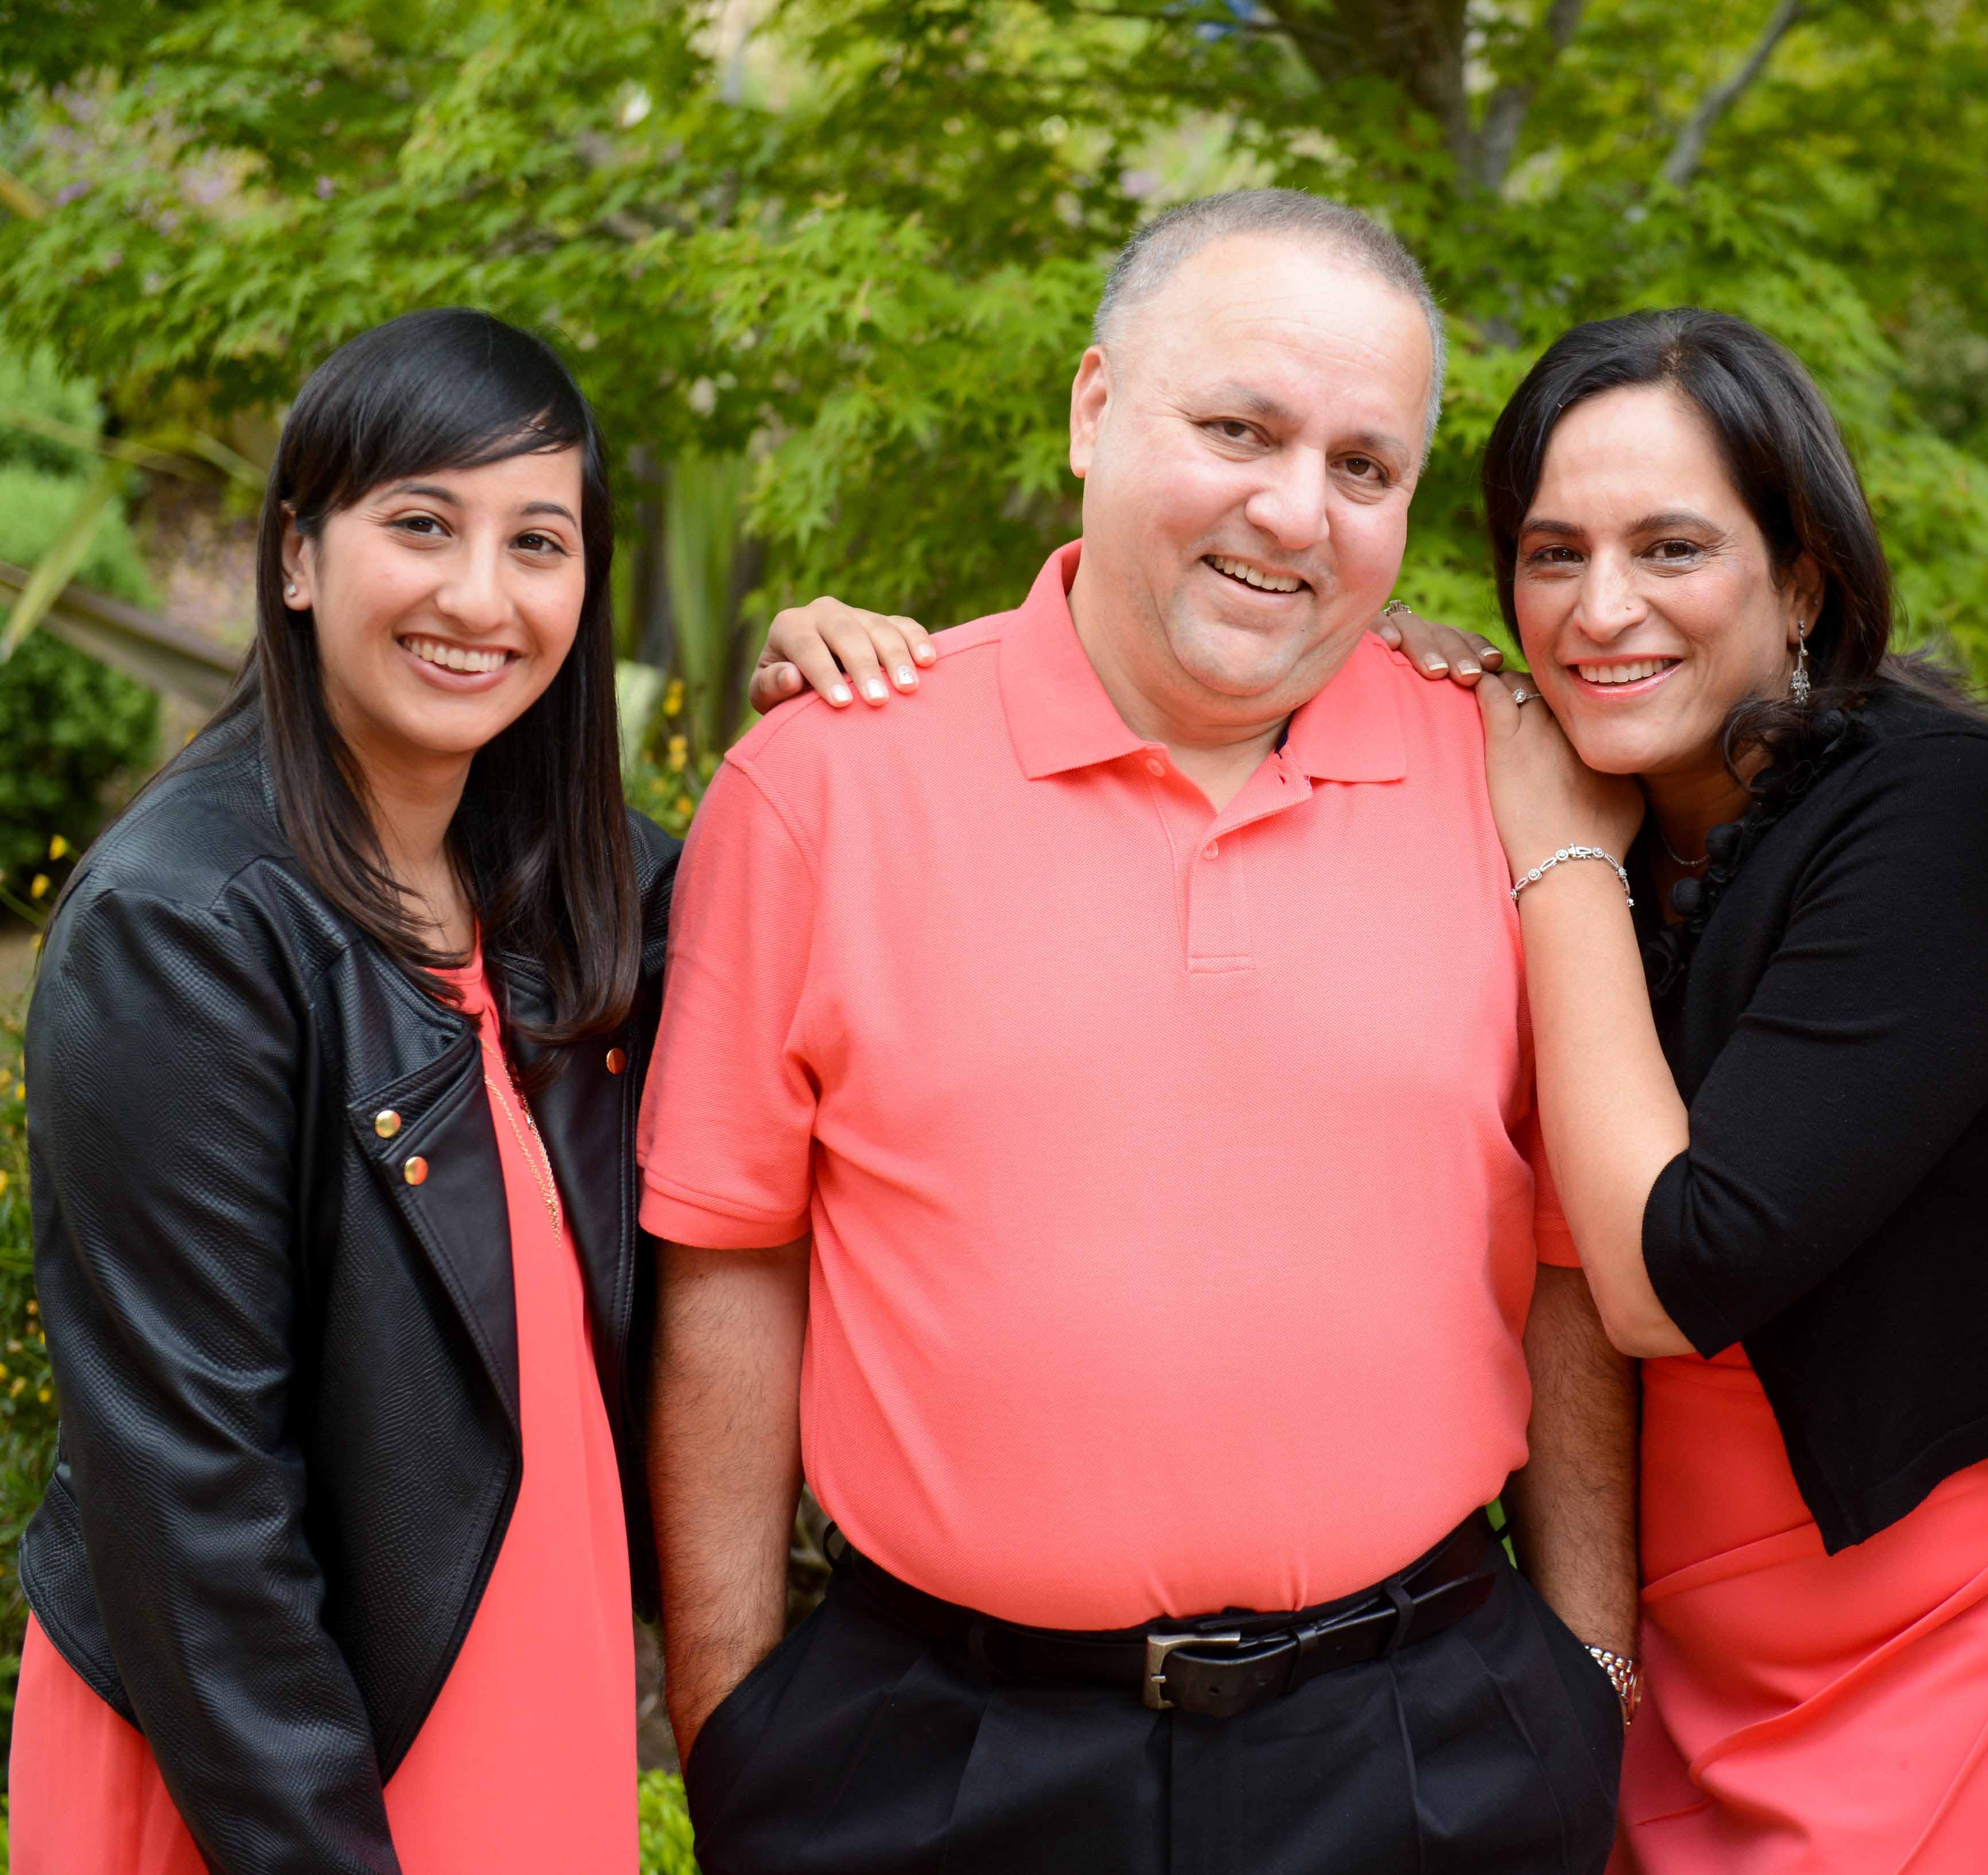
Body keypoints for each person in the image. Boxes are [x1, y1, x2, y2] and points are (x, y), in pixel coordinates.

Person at [640, 188, 1633, 1875]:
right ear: (1096, 406)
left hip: (1423, 1744)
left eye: (1363, 467)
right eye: (1238, 427)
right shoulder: (825, 781)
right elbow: (732, 1260)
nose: (1294, 510)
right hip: (937, 1759)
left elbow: (1567, 1254)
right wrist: (732, 1716)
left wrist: (1593, 1676)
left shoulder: (1510, 774)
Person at [1358, 308, 1988, 1872]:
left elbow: (1682, 1265)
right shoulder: (1588, 800)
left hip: (1967, 1599)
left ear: (1802, 578)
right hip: (1676, 1607)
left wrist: (1561, 850)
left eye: (1673, 548)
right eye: (1551, 555)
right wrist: (854, 656)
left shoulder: (1949, 813)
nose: (1600, 609)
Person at [11, 309, 668, 1875]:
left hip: (527, 1679)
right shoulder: (185, 922)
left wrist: (848, 673)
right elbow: (191, 1503)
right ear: (297, 555)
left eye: (538, 541)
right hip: (273, 1756)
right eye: (422, 525)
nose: (479, 597)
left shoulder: (568, 894)